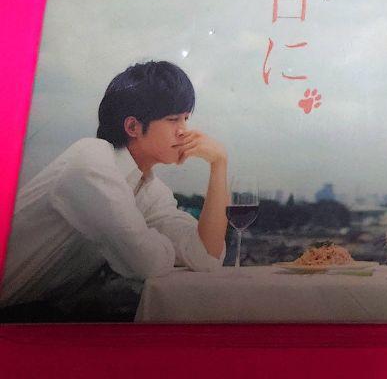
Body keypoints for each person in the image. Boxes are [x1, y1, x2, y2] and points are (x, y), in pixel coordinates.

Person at [0, 61, 228, 318]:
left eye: (186, 119)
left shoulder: (149, 188)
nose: (185, 132)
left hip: (29, 317)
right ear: (132, 127)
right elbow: (146, 262)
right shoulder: (90, 160)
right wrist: (169, 248)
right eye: (173, 120)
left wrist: (219, 165)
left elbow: (205, 256)